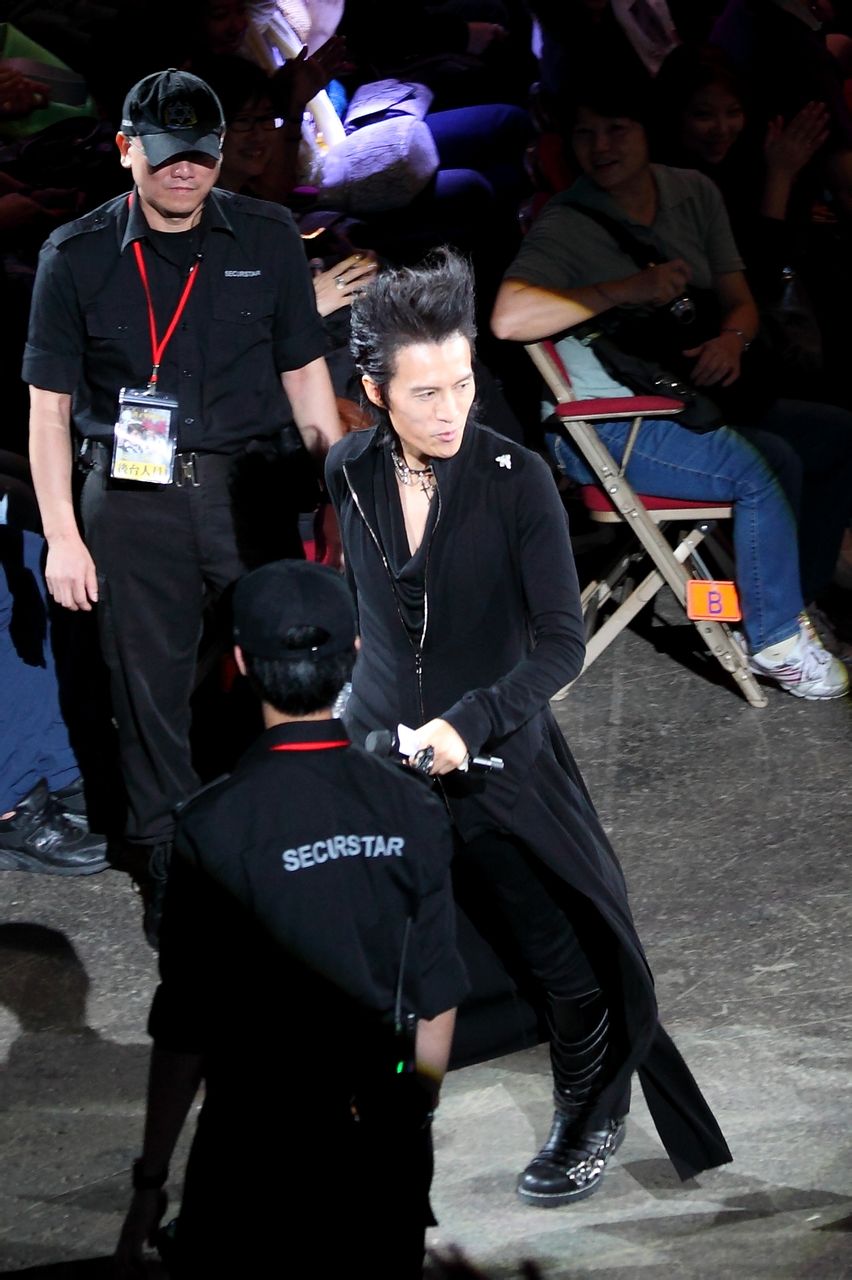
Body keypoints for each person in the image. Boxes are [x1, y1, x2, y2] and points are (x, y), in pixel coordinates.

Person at [326, 247, 732, 1208]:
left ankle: (591, 1102)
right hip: (386, 757)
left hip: (497, 759)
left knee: (559, 947)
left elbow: (559, 645)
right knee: (390, 943)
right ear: (375, 394)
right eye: (426, 393)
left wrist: (469, 725)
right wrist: (351, 714)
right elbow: (373, 612)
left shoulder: (516, 479)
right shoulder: (348, 470)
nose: (451, 411)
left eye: (463, 384)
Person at [22, 68, 342, 936]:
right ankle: (168, 859)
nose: (185, 169)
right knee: (147, 692)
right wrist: (63, 536)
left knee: (281, 672)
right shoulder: (76, 255)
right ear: (127, 150)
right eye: (166, 154)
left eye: (200, 153)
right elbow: (48, 410)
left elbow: (304, 372)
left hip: (249, 489)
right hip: (133, 499)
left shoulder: (268, 235)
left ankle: (274, 840)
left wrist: (336, 490)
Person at [113, 558, 467, 1277]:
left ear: (242, 663)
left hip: (254, 1159)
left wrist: (150, 1181)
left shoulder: (212, 826)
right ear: (354, 655)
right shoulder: (413, 806)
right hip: (381, 1153)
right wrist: (412, 1118)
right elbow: (436, 994)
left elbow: (186, 1029)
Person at [491, 84, 852, 695]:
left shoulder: (692, 192)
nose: (600, 146)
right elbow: (507, 319)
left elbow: (741, 301)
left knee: (835, 436)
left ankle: (788, 605)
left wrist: (731, 340)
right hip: (608, 422)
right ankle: (775, 642)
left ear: (647, 131)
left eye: (617, 128)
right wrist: (624, 290)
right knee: (764, 465)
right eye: (585, 133)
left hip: (689, 396)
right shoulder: (567, 222)